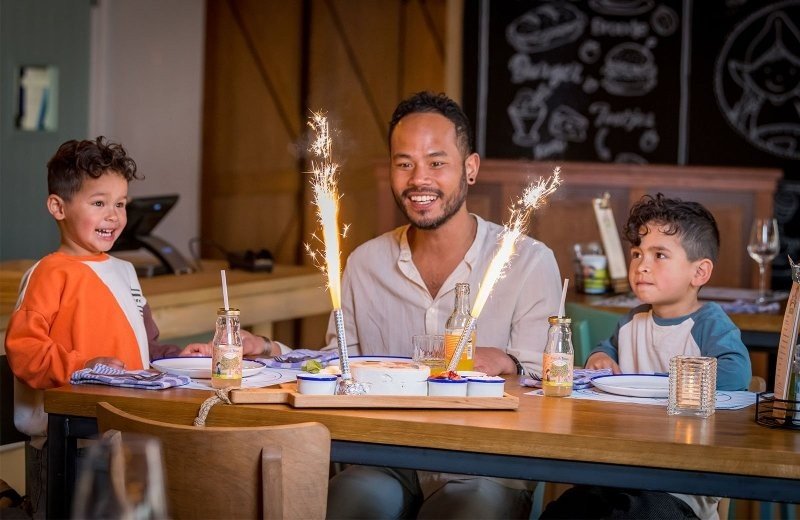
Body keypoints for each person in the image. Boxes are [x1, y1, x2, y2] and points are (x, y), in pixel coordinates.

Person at [4, 137, 185, 518]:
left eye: (120, 204)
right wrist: (86, 368)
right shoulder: (49, 273)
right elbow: (25, 349)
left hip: (126, 432)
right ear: (58, 207)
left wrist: (181, 356)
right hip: (66, 443)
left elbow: (143, 347)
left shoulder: (125, 271)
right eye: (99, 203)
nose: (114, 216)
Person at [542, 194, 752, 520]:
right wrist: (600, 358)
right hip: (624, 471)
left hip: (682, 485)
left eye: (660, 255)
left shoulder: (709, 323)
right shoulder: (632, 320)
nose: (642, 265)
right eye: (638, 253)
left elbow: (736, 373)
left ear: (699, 272)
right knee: (569, 509)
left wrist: (664, 384)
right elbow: (606, 349)